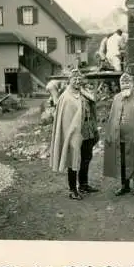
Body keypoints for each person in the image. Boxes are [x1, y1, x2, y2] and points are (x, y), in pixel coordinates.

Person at [49, 69, 100, 200]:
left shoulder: (83, 93)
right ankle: (72, 189)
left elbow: (92, 108)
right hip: (74, 133)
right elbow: (66, 119)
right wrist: (70, 134)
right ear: (69, 81)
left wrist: (94, 128)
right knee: (73, 159)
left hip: (87, 129)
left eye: (79, 79)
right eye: (74, 79)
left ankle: (83, 184)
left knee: (86, 158)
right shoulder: (66, 97)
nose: (77, 81)